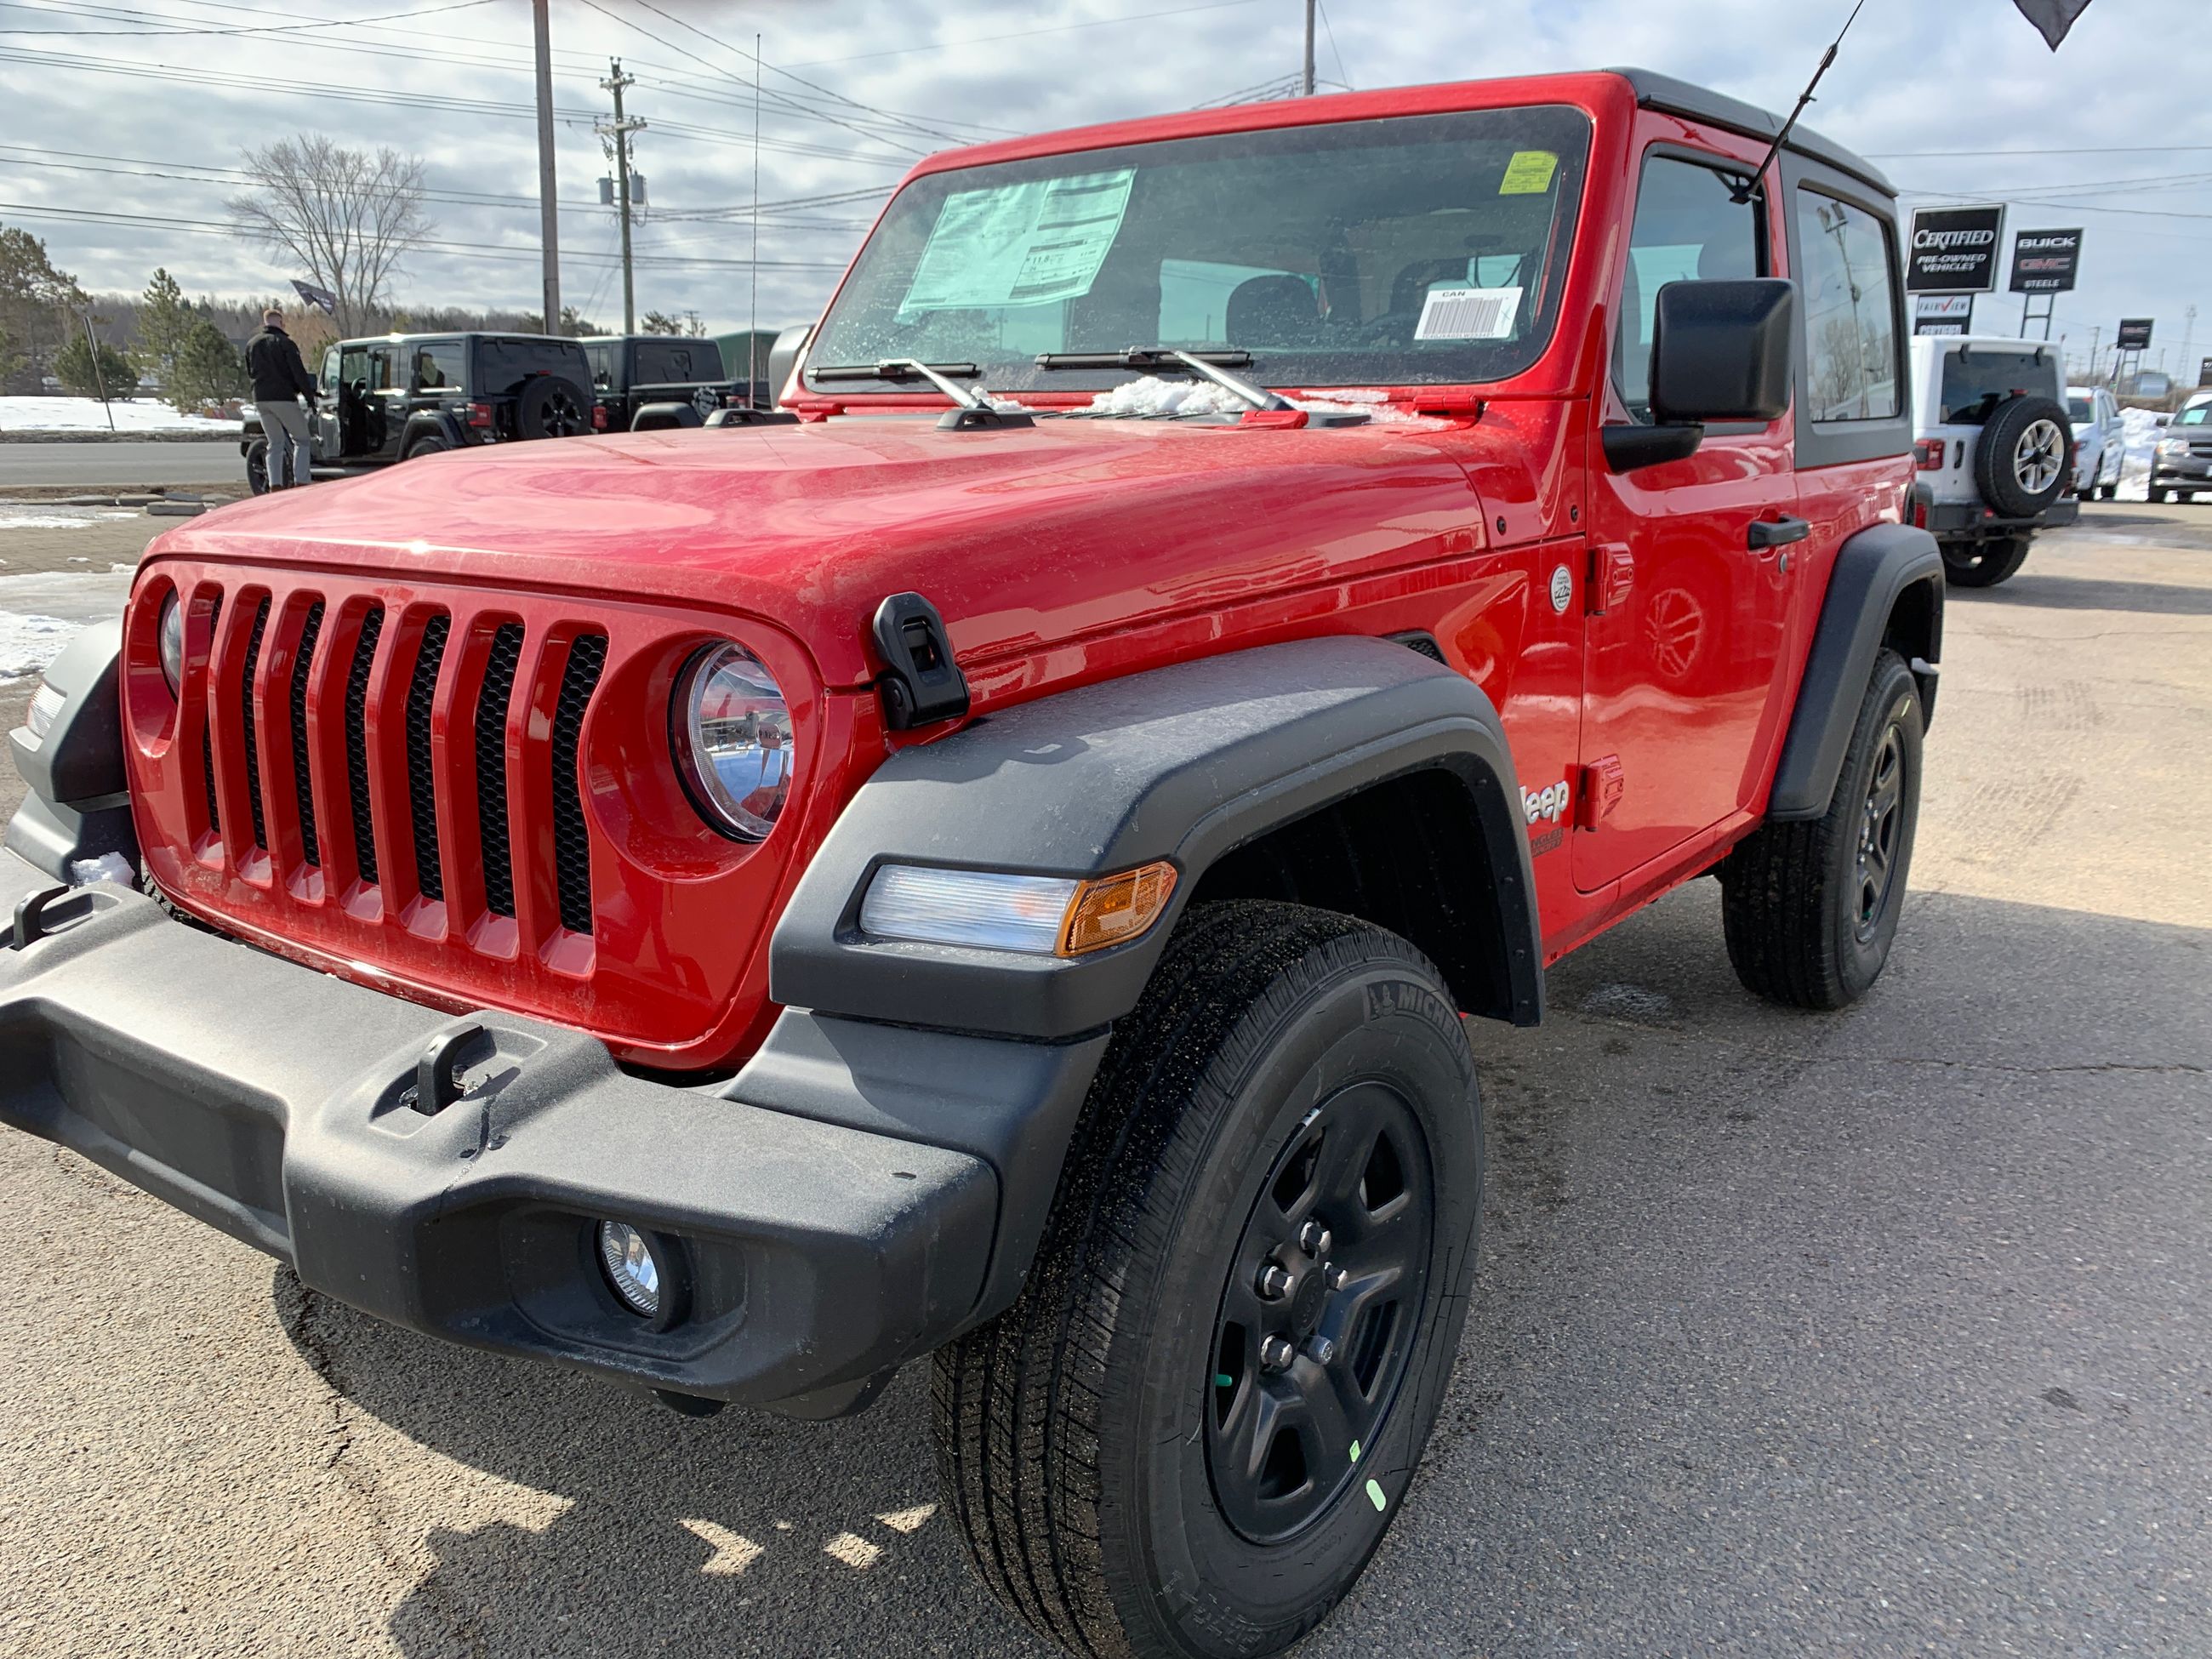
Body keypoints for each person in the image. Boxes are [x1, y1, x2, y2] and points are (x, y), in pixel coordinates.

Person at [246, 308, 318, 487]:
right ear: (280, 322)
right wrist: (309, 397)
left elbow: (250, 372)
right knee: (302, 439)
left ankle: (275, 485)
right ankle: (302, 481)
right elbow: (298, 374)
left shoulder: (251, 345)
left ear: (265, 322)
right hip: (284, 398)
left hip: (261, 399)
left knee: (275, 443)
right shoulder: (285, 343)